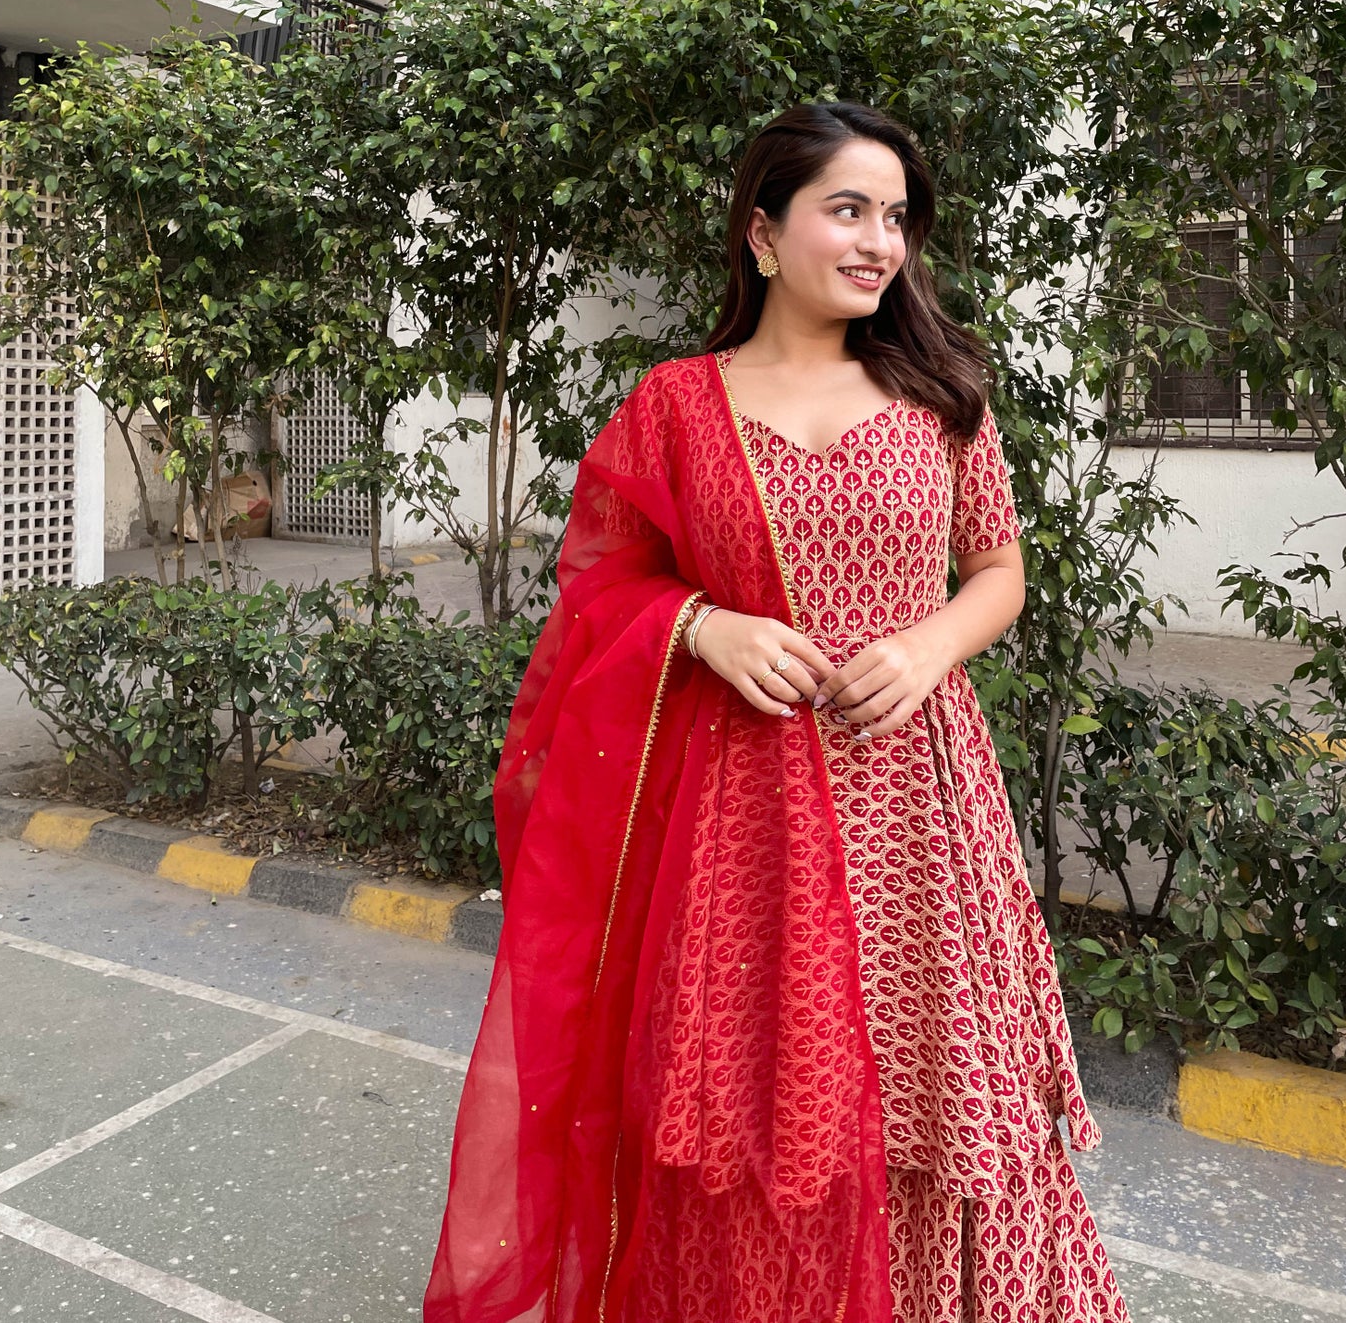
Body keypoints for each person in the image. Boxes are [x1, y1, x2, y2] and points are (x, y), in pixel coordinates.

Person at [425, 101, 1129, 1323]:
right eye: (845, 210)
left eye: (896, 218)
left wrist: (924, 645)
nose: (877, 242)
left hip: (919, 811)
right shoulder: (676, 405)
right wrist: (701, 625)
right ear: (761, 232)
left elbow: (997, 572)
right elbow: (600, 584)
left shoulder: (942, 397)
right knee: (744, 1109)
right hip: (740, 820)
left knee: (944, 1094)